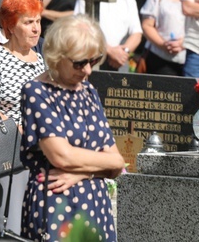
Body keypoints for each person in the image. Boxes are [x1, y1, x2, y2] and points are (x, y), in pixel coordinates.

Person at [20, 15, 124, 241]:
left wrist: (83, 173)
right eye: (79, 63)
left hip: (96, 203)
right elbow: (62, 156)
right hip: (58, 205)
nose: (88, 71)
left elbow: (117, 162)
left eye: (94, 61)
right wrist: (101, 164)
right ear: (57, 57)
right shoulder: (36, 91)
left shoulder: (87, 91)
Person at [0, 0, 46, 239]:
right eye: (28, 22)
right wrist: (12, 129)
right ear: (10, 25)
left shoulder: (41, 61)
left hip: (39, 151)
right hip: (8, 152)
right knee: (7, 221)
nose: (35, 28)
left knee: (33, 218)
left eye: (38, 21)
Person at [73, 0, 142, 72]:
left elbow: (137, 33)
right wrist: (109, 51)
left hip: (119, 61)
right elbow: (79, 29)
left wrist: (123, 53)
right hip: (91, 58)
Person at [139, 0, 194, 76]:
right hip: (160, 58)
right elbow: (147, 25)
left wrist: (184, 43)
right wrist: (164, 45)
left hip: (190, 58)